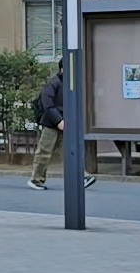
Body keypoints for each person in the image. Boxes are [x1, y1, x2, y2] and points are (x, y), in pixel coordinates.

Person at [29, 63, 96, 191]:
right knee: (44, 152)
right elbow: (47, 104)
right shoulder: (54, 83)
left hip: (64, 123)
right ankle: (36, 179)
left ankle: (82, 177)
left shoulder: (69, 83)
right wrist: (58, 120)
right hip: (51, 123)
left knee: (70, 151)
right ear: (62, 68)